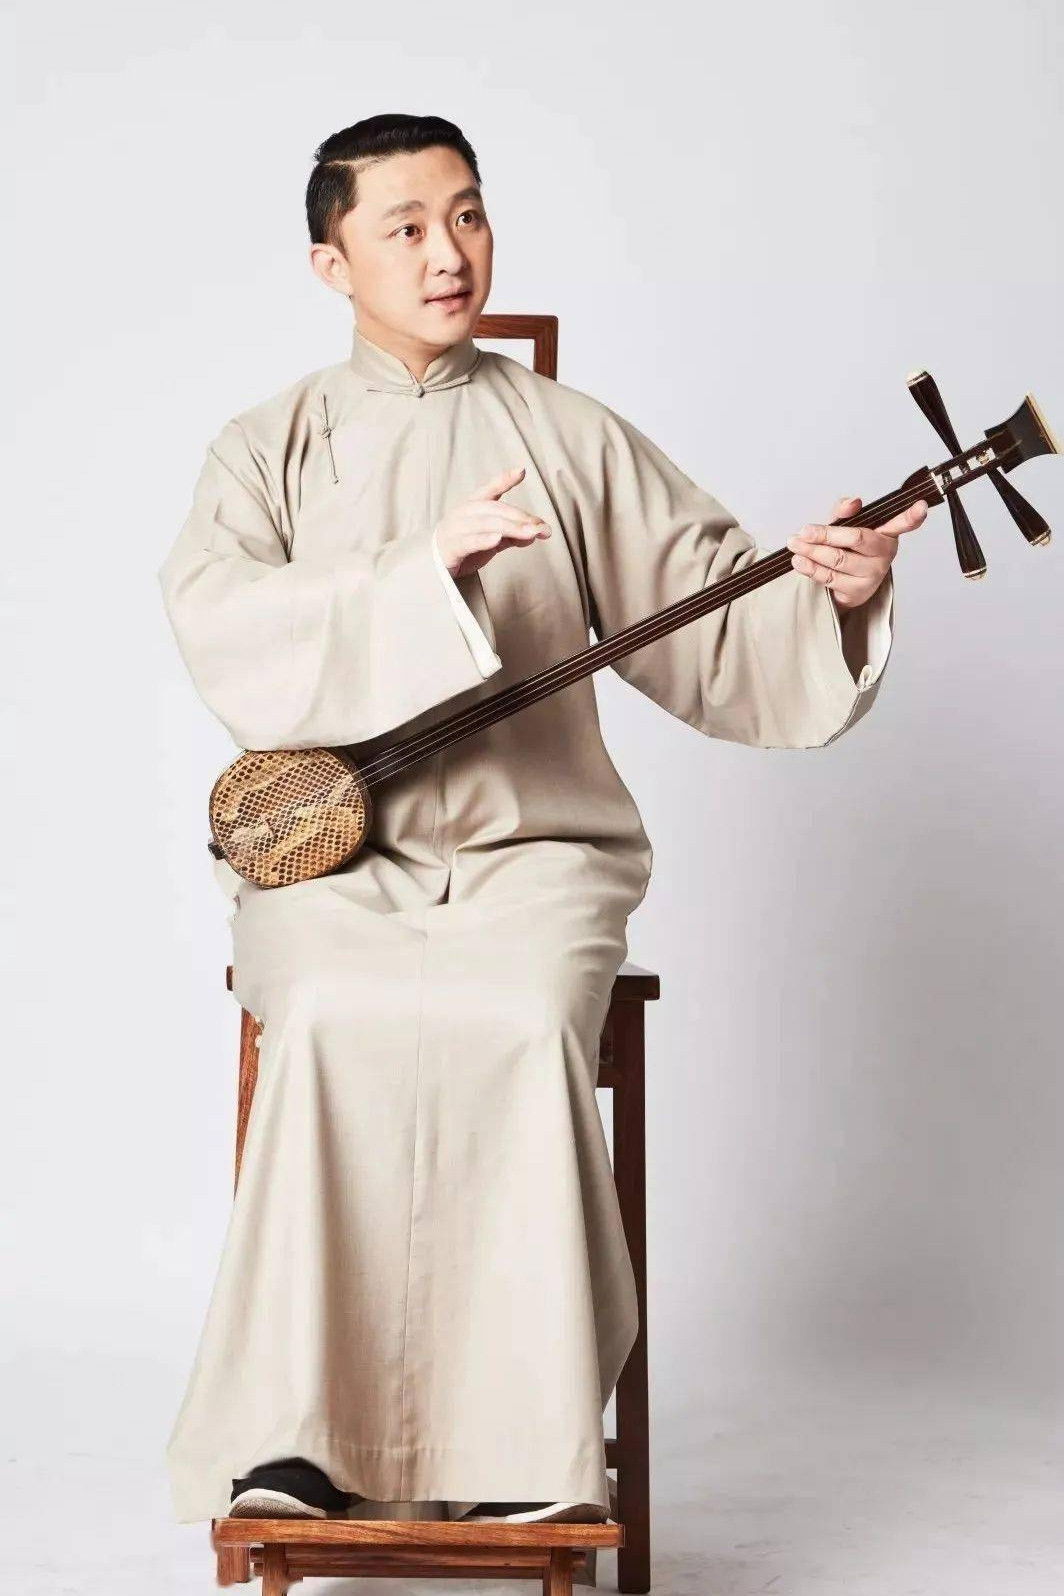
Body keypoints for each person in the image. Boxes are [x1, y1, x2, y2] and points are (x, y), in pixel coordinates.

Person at [157, 112, 925, 1535]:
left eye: (468, 215)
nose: (448, 254)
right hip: (334, 867)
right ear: (332, 262)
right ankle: (297, 1444)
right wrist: (419, 574)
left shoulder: (567, 436)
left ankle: (525, 1448)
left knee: (517, 1022)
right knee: (324, 1018)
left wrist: (842, 589)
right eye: (405, 228)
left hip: (537, 855)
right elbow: (227, 631)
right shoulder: (266, 448)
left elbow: (711, 614)